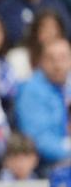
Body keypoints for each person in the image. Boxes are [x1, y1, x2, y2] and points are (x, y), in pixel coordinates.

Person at [16, 38, 71, 168]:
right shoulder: (30, 90)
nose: (58, 65)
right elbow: (38, 140)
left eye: (63, 58)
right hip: (46, 165)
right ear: (41, 61)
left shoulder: (68, 86)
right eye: (51, 59)